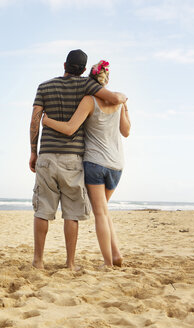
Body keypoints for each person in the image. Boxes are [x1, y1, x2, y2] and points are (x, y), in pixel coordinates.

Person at [30, 50, 127, 270]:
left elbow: (35, 120)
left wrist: (33, 151)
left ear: (64, 64)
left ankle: (38, 261)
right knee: (72, 213)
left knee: (42, 210)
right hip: (73, 159)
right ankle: (71, 263)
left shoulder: (44, 87)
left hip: (46, 155)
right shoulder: (86, 86)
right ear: (84, 70)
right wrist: (123, 98)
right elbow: (113, 98)